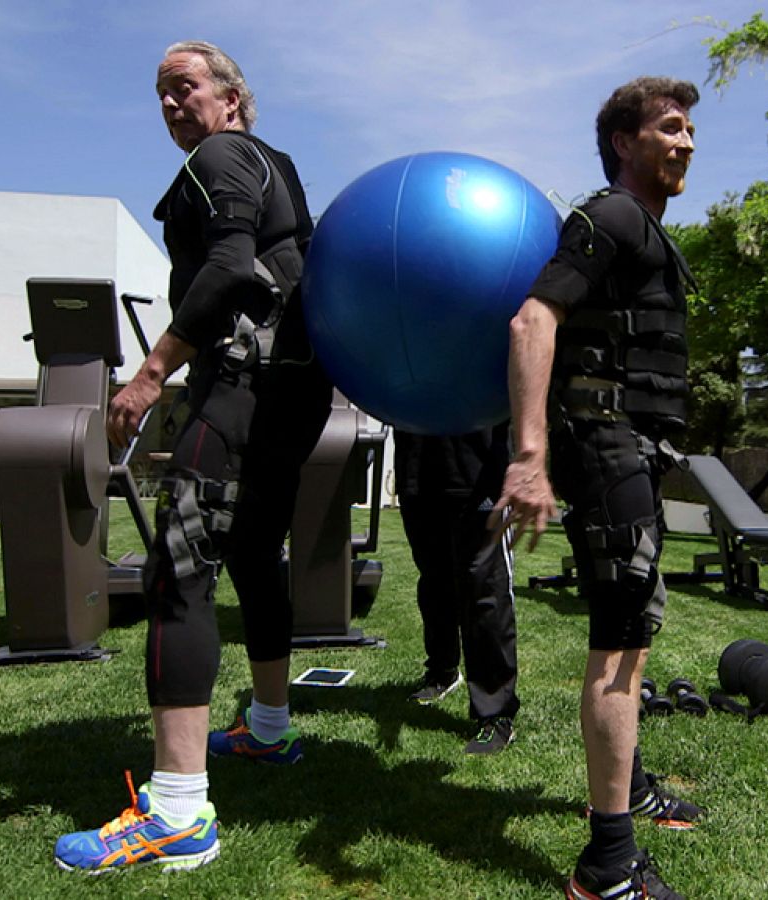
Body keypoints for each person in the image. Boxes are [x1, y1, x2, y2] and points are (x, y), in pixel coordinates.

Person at [54, 40, 332, 873]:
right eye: (161, 94)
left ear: (232, 98)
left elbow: (229, 264)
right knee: (253, 555)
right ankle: (271, 733)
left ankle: (177, 812)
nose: (171, 103)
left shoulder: (223, 153)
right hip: (294, 392)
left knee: (178, 567)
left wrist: (148, 373)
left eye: (184, 87)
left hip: (245, 384)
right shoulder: (276, 163)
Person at [495, 76, 703, 900]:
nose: (687, 143)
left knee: (635, 630)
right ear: (626, 142)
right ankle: (607, 866)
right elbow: (532, 320)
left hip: (632, 452)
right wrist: (530, 457)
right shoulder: (612, 215)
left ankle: (634, 786)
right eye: (672, 128)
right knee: (618, 645)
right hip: (606, 447)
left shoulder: (643, 230)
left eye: (690, 131)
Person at [395, 422, 520, 754]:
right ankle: (442, 672)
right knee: (433, 579)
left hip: (477, 467)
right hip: (417, 463)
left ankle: (495, 713)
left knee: (485, 587)